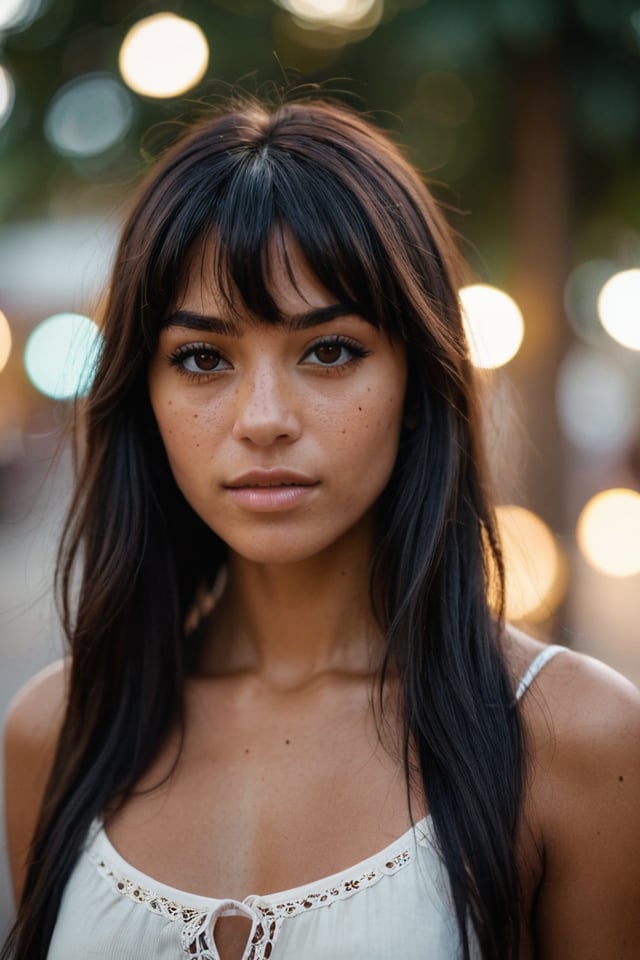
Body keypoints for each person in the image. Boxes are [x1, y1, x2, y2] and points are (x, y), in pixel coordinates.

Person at [3, 97, 640, 960]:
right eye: (202, 358)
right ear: (144, 399)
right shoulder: (59, 728)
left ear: (419, 379)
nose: (263, 419)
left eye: (330, 349)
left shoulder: (577, 739)